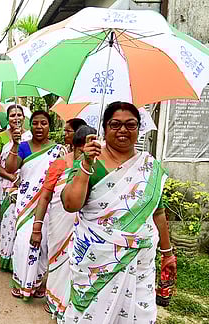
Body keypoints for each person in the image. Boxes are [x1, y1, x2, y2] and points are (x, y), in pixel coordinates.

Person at [61, 102, 176, 323]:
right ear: (104, 128)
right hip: (96, 260)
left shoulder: (149, 167)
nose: (123, 130)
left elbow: (158, 212)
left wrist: (167, 252)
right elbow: (70, 205)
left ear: (138, 128)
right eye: (115, 124)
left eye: (130, 125)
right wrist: (85, 165)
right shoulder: (90, 161)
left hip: (139, 262)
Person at [31, 125, 96, 318]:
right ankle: (55, 301)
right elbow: (45, 196)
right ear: (75, 147)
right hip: (59, 225)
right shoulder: (60, 165)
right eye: (81, 150)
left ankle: (73, 305)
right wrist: (37, 226)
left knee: (80, 265)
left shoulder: (97, 168)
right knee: (58, 262)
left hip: (86, 228)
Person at [5, 110, 62, 300]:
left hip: (48, 205)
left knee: (44, 243)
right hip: (26, 202)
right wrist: (14, 144)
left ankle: (37, 283)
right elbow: (10, 169)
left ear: (49, 126)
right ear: (31, 126)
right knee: (24, 242)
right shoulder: (22, 146)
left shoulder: (58, 150)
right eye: (35, 123)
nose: (39, 127)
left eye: (43, 123)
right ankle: (21, 282)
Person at [0, 104, 31, 271]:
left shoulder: (30, 135)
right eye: (12, 115)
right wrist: (11, 177)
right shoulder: (0, 137)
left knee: (22, 221)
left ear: (23, 117)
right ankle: (6, 257)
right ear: (8, 119)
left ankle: (20, 257)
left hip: (25, 183)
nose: (16, 118)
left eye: (19, 115)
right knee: (8, 219)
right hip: (5, 184)